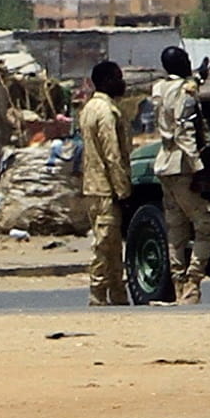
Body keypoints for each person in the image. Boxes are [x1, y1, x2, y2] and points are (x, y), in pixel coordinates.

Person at [151, 45, 210, 304]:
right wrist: (199, 169)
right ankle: (192, 282)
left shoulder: (159, 89)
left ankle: (179, 284)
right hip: (183, 165)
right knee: (207, 225)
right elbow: (185, 131)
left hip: (164, 164)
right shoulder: (186, 92)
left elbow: (183, 88)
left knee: (175, 229)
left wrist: (199, 77)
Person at [77, 61, 133, 306]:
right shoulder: (106, 111)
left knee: (111, 246)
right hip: (105, 188)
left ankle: (118, 295)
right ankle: (98, 292)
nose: (122, 83)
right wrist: (123, 190)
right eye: (118, 78)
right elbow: (113, 155)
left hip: (92, 186)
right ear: (108, 80)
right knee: (104, 243)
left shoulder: (89, 107)